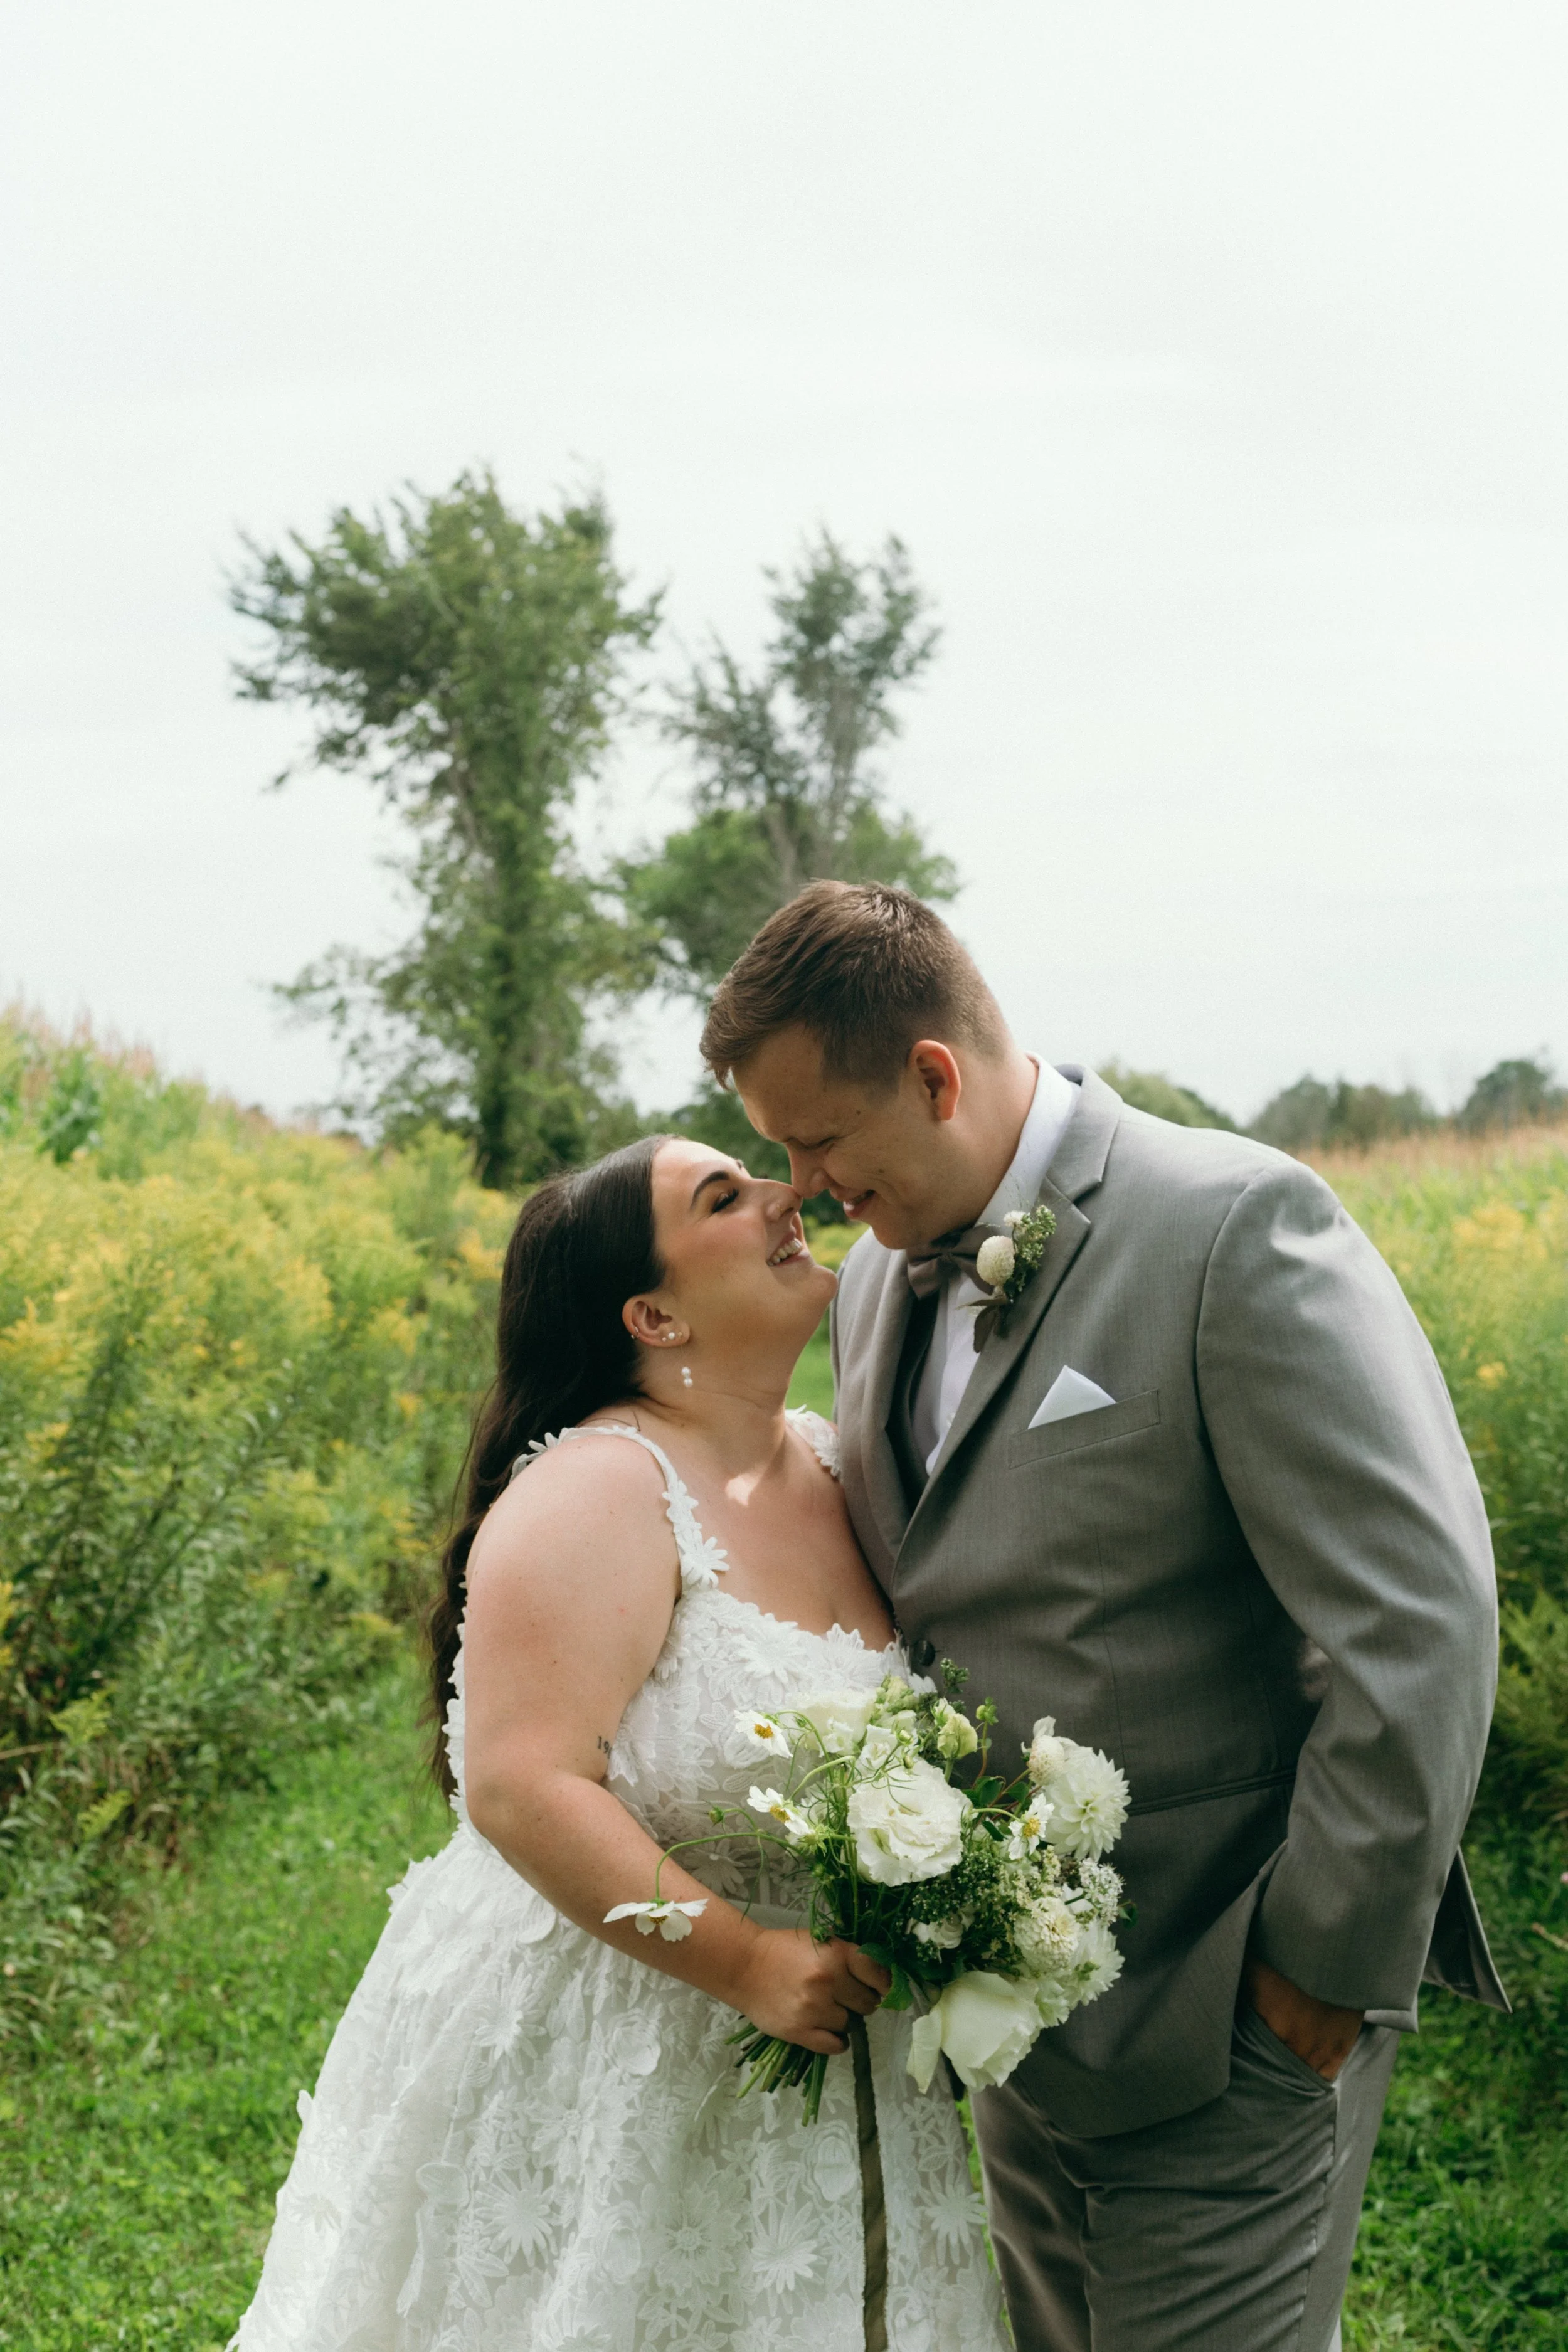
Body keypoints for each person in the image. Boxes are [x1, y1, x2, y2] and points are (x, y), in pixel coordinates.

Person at [703, 879, 1507, 2352]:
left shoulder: (1232, 1225)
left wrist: (1311, 1975)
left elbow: (1418, 1622)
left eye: (819, 1141)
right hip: (1016, 2028)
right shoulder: (875, 1284)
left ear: (933, 1075)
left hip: (1227, 2008)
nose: (805, 1190)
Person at [231, 1133, 1009, 2352]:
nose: (782, 1191)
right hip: (626, 2043)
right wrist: (750, 1963)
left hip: (832, 2057)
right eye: (722, 1196)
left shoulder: (822, 1457)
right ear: (653, 1314)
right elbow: (519, 1783)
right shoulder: (600, 1486)